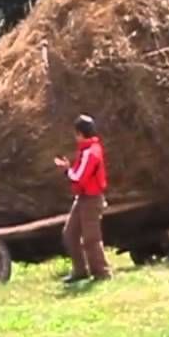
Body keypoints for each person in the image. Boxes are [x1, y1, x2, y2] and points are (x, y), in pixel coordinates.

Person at [54, 114, 111, 283]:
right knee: (70, 233)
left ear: (80, 133)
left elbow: (79, 177)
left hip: (91, 199)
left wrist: (66, 170)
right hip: (83, 197)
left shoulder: (90, 152)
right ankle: (81, 270)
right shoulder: (87, 150)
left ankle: (102, 272)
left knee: (91, 239)